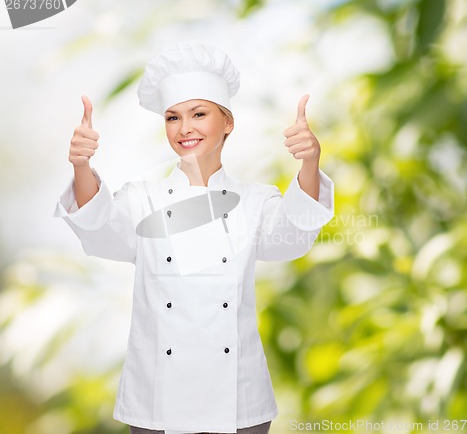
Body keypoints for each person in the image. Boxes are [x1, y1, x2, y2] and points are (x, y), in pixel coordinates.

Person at [54, 43, 334, 434]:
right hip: (157, 405)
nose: (185, 128)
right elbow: (100, 230)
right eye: (173, 117)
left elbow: (292, 236)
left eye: (198, 114)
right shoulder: (142, 199)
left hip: (239, 405)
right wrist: (82, 165)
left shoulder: (255, 201)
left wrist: (309, 162)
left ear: (228, 122)